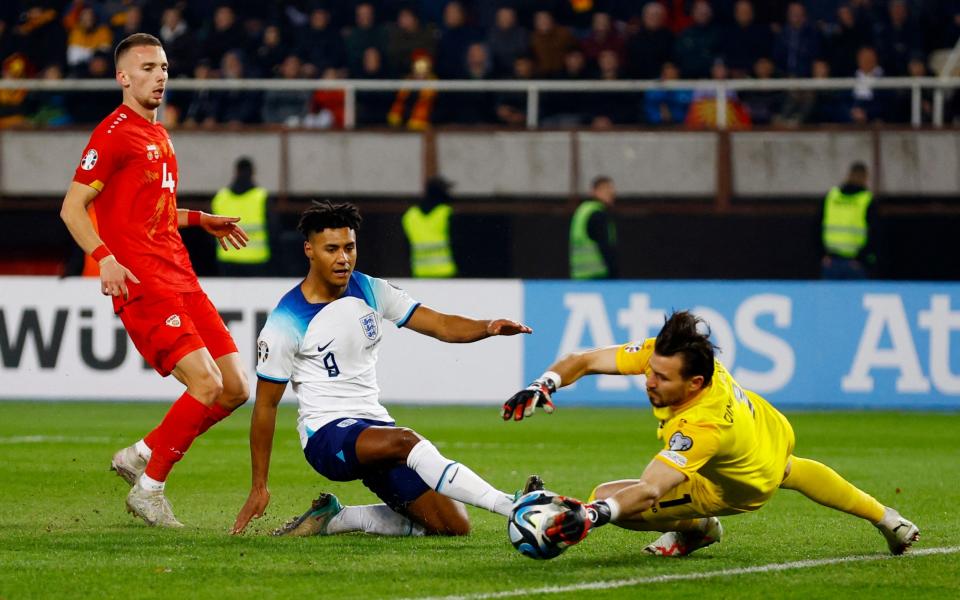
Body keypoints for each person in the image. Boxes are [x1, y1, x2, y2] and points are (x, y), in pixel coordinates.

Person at [503, 311, 921, 557]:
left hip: (742, 485)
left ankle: (700, 528)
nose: (649, 381)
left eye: (662, 379)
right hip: (769, 429)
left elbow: (650, 488)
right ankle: (889, 520)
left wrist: (594, 514)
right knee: (791, 469)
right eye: (651, 370)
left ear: (695, 383)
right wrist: (545, 384)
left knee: (609, 493)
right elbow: (585, 359)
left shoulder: (701, 425)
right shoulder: (676, 358)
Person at [232, 201, 532, 537]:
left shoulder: (371, 289)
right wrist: (259, 485)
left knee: (452, 526)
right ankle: (513, 505)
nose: (343, 258)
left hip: (374, 427)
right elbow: (266, 405)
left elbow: (440, 324)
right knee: (406, 441)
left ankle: (338, 518)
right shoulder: (285, 321)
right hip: (327, 436)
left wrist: (488, 326)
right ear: (310, 250)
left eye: (349, 247)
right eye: (331, 249)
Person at [59, 33, 251, 528]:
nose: (159, 75)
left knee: (234, 388)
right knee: (206, 384)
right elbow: (72, 208)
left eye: (164, 66)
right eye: (147, 67)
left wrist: (198, 218)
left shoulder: (159, 133)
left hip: (180, 272)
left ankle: (141, 453)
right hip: (142, 281)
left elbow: (151, 213)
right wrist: (103, 257)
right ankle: (150, 489)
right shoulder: (113, 133)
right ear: (123, 76)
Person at [211, 157, 271, 277]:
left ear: (236, 172)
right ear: (253, 172)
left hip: (227, 260)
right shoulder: (261, 197)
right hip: (256, 261)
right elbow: (274, 231)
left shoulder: (220, 198)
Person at [819, 161, 877, 279]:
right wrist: (863, 258)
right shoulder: (866, 199)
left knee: (830, 296)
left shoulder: (832, 197)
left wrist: (822, 255)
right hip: (855, 263)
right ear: (866, 177)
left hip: (831, 261)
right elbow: (875, 233)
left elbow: (816, 228)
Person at [401, 176, 458, 278]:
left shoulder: (411, 215)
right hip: (446, 273)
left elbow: (404, 247)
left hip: (420, 274)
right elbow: (458, 245)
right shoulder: (446, 213)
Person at [569, 176, 618, 280]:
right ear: (595, 191)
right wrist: (614, 275)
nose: (612, 193)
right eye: (607, 189)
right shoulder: (597, 214)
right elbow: (605, 247)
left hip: (579, 277)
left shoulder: (582, 211)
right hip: (598, 277)